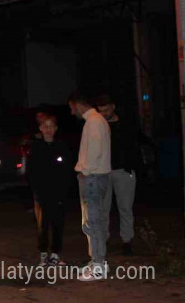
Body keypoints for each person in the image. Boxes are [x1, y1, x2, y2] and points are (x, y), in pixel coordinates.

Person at [69, 91, 111, 282]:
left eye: (72, 108)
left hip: (92, 177)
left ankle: (98, 265)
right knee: (95, 222)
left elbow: (94, 151)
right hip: (97, 176)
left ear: (77, 105)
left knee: (92, 222)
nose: (72, 112)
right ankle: (98, 261)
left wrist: (84, 171)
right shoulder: (97, 120)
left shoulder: (93, 121)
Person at [96, 95, 140, 256]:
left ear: (113, 106)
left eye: (106, 109)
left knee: (125, 207)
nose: (104, 113)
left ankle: (127, 240)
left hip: (123, 170)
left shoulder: (126, 123)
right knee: (103, 208)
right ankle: (104, 239)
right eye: (101, 111)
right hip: (104, 170)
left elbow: (135, 142)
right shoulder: (98, 125)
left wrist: (132, 166)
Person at [28, 116, 72, 266]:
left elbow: (67, 169)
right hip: (42, 192)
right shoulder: (36, 147)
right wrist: (36, 191)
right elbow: (31, 171)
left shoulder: (62, 146)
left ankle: (55, 253)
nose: (48, 129)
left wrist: (65, 188)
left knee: (58, 222)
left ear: (56, 129)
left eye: (51, 126)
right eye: (45, 126)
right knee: (43, 223)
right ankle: (43, 253)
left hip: (59, 192)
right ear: (40, 128)